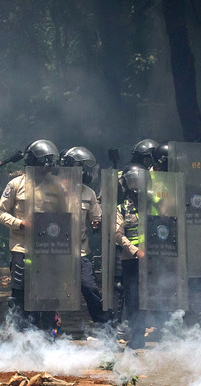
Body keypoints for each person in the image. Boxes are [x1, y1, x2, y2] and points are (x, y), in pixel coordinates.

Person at [0, 139, 57, 332]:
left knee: (47, 292)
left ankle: (47, 334)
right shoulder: (15, 185)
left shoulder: (56, 186)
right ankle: (19, 334)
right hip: (22, 247)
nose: (48, 166)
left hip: (48, 248)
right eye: (44, 161)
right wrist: (20, 224)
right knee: (20, 291)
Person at [59, 146, 109, 325]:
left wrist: (96, 222)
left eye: (82, 167)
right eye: (76, 166)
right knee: (51, 291)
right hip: (54, 250)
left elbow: (96, 216)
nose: (80, 171)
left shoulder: (89, 192)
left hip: (80, 251)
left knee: (89, 286)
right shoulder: (51, 189)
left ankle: (104, 326)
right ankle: (47, 327)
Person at [114, 163, 148, 348]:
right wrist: (135, 250)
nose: (135, 185)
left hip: (154, 261)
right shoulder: (122, 208)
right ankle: (137, 336)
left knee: (155, 296)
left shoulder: (154, 203)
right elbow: (117, 234)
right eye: (132, 181)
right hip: (131, 260)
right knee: (133, 299)